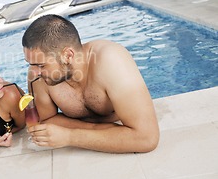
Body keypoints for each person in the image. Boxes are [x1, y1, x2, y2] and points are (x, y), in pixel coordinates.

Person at [22, 14, 159, 153]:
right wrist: (100, 131)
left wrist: (70, 137)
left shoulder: (110, 60)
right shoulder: (40, 77)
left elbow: (147, 138)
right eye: (31, 64)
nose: (33, 73)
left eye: (40, 65)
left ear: (68, 55)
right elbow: (46, 121)